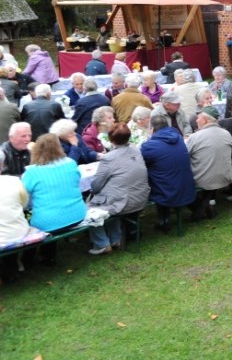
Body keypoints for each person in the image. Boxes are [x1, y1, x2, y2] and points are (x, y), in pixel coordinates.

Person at [20, 134, 87, 266]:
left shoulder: (31, 172)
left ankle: (27, 260)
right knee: (50, 212)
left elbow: (23, 196)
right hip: (78, 214)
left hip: (48, 222)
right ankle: (46, 257)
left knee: (29, 218)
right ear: (59, 148)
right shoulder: (70, 163)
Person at [85, 123, 150, 255]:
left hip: (124, 202)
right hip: (141, 197)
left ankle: (102, 243)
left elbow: (96, 186)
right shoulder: (136, 150)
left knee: (88, 210)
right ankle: (115, 239)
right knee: (109, 199)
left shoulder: (108, 158)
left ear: (110, 139)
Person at [141, 114, 196, 232]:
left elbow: (141, 164)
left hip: (166, 191)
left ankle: (163, 220)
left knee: (154, 178)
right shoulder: (179, 138)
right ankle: (164, 217)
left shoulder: (149, 146)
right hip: (186, 187)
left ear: (153, 129)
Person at [186, 107, 232, 220]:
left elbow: (184, 157)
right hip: (225, 176)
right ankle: (204, 207)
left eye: (198, 118)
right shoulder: (226, 133)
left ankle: (200, 208)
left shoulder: (195, 137)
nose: (196, 121)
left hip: (203, 180)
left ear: (204, 120)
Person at [0, 160, 30, 281]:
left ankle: (9, 271)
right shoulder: (14, 181)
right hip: (19, 231)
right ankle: (16, 266)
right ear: (1, 165)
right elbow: (24, 205)